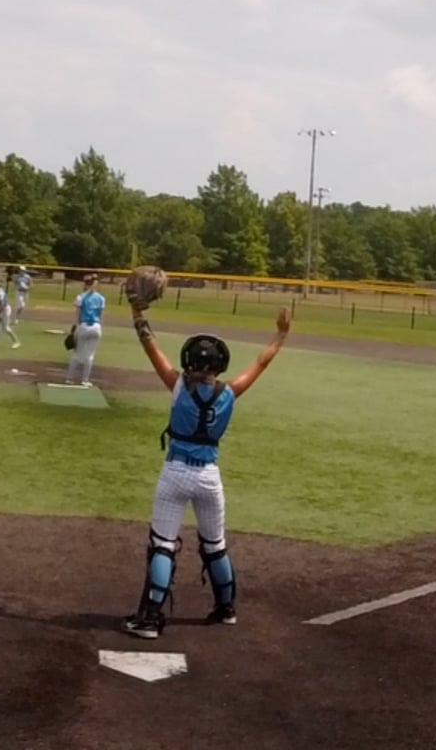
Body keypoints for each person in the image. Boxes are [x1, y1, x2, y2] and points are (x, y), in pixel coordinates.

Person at [121, 304, 291, 639]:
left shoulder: (177, 386)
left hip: (175, 473)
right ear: (219, 364)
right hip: (209, 478)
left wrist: (138, 314)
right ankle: (226, 608)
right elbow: (261, 362)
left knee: (163, 545)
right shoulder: (229, 392)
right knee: (215, 544)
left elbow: (150, 347)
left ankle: (151, 618)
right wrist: (281, 334)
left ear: (189, 361)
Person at [67, 273, 106, 386]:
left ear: (85, 284)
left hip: (83, 326)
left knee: (77, 354)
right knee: (90, 355)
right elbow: (101, 315)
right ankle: (85, 380)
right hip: (96, 327)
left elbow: (77, 315)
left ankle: (69, 378)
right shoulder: (101, 298)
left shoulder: (81, 297)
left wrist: (75, 328)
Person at [0, 276, 19, 349]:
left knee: (5, 328)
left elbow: (2, 304)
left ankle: (16, 342)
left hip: (4, 309)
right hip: (2, 309)